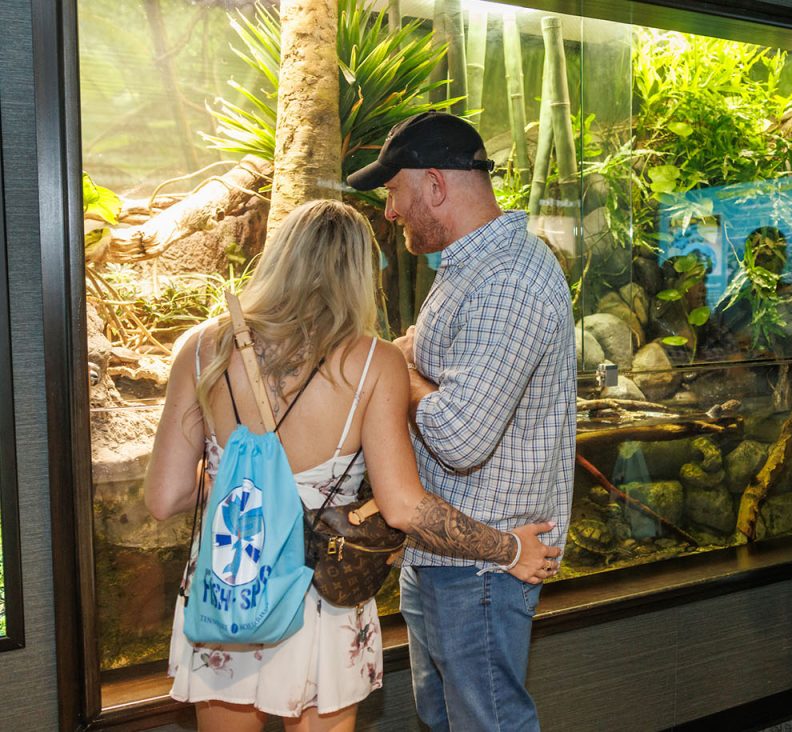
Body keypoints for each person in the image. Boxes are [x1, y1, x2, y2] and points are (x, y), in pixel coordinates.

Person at [144, 199, 562, 732]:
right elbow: (404, 506)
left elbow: (164, 499)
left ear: (278, 256)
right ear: (360, 274)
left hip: (231, 583)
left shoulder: (201, 349)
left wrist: (242, 476)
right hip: (322, 589)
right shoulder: (374, 362)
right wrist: (509, 548)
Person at [346, 112, 576, 731]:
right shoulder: (465, 269)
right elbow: (408, 350)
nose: (389, 211)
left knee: (486, 723)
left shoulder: (509, 278)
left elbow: (459, 434)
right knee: (444, 719)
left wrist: (399, 378)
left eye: (393, 192)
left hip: (487, 565)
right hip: (442, 554)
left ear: (436, 185)